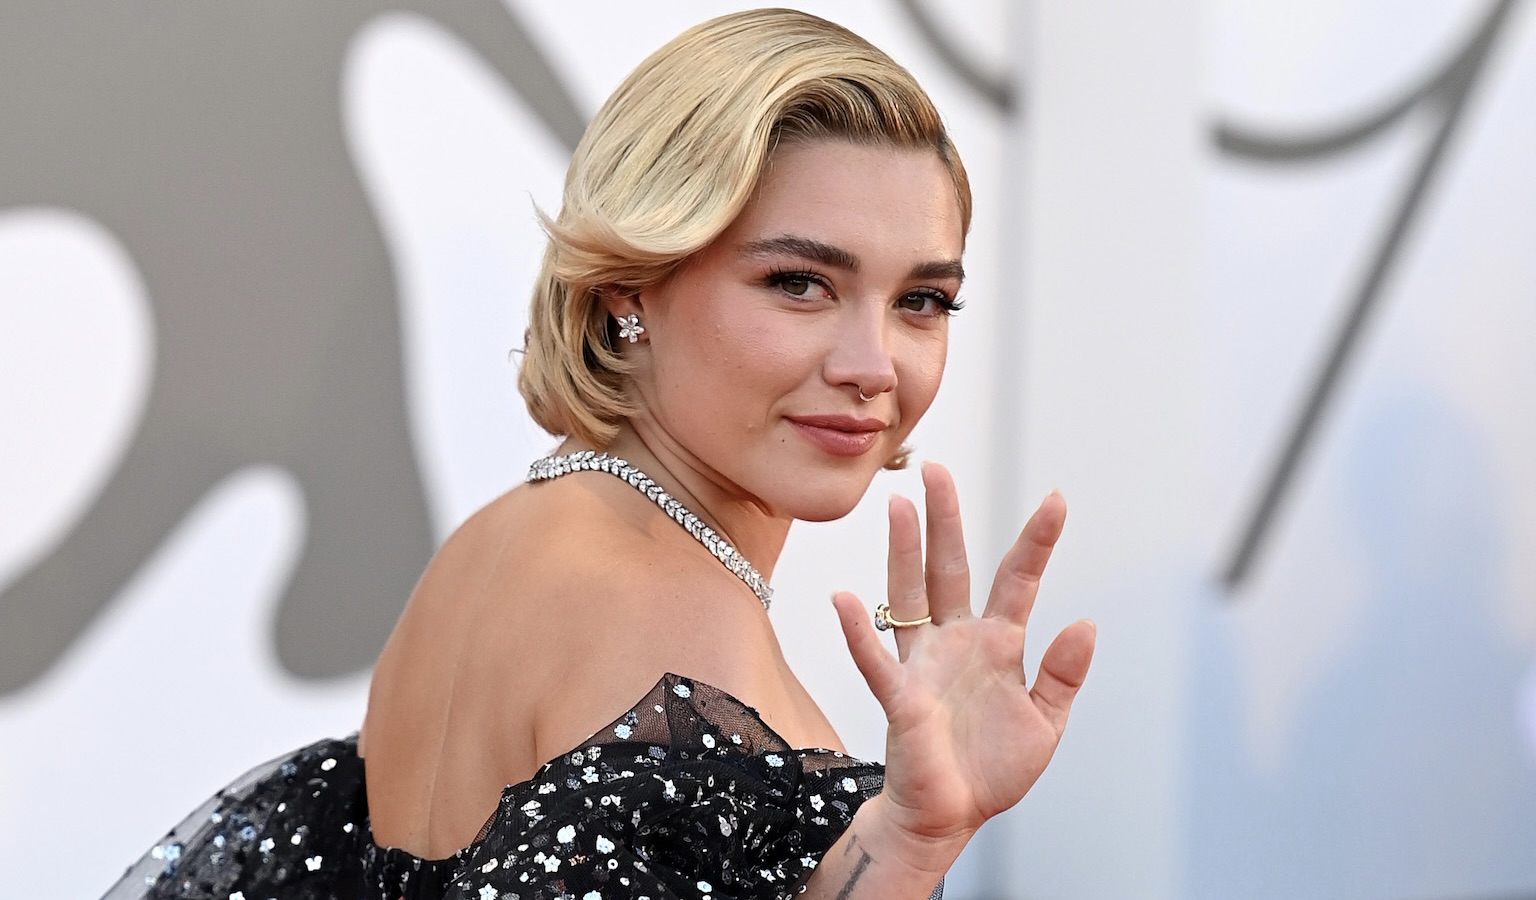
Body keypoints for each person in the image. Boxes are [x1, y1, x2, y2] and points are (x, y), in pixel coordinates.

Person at [103, 8, 1096, 899]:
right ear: (631, 284)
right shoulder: (673, 623)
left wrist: (912, 839)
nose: (872, 364)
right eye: (799, 283)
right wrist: (911, 851)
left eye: (921, 301)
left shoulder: (510, 542)